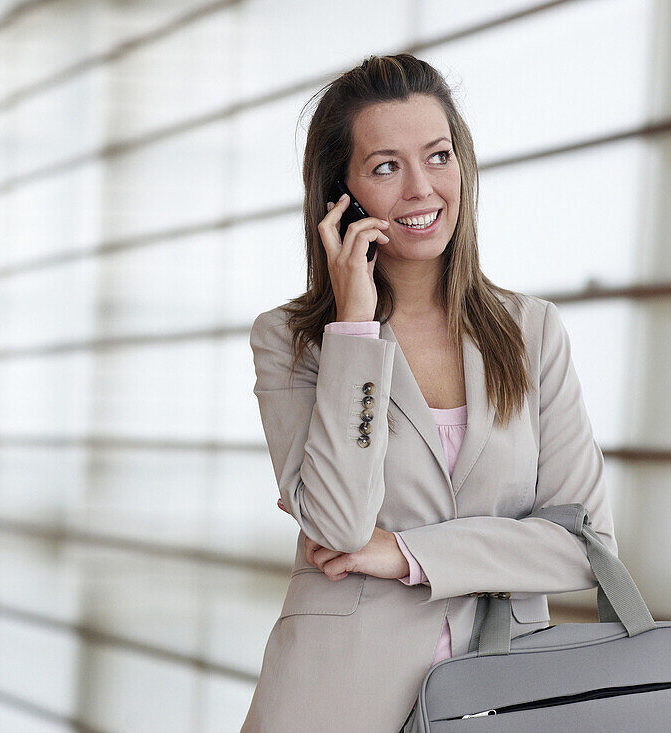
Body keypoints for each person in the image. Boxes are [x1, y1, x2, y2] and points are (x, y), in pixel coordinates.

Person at [240, 53, 618, 732]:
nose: (422, 188)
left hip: (503, 698)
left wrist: (407, 555)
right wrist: (354, 328)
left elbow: (584, 544)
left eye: (438, 155)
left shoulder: (531, 331)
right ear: (340, 194)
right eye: (386, 166)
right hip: (335, 700)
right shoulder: (294, 342)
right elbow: (338, 525)